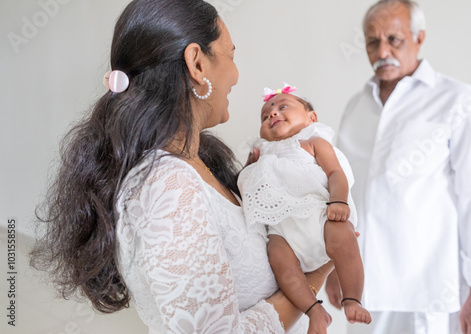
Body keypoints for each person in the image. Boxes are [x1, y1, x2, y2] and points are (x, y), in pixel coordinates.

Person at [29, 1, 335, 333]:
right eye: (230, 55)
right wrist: (314, 278)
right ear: (197, 63)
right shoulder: (169, 186)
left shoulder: (196, 160)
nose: (235, 73)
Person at [327, 0, 471, 333]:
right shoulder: (356, 106)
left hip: (428, 294)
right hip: (364, 294)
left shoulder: (455, 100)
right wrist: (335, 268)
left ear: (419, 38)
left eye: (394, 39)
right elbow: (344, 194)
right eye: (372, 41)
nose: (382, 51)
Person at [238, 85, 372, 334]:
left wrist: (339, 200)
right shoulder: (260, 153)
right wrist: (248, 168)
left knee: (344, 237)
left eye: (282, 106)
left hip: (320, 215)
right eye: (265, 115)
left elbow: (335, 173)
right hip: (282, 229)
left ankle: (352, 298)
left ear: (311, 117)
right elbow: (246, 188)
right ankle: (314, 311)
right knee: (280, 261)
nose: (272, 114)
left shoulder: (312, 142)